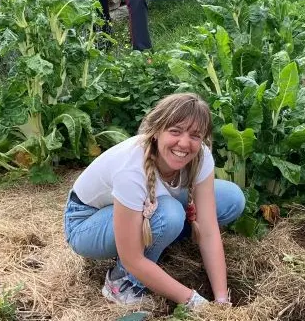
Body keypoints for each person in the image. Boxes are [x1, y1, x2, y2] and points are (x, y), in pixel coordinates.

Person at [63, 93, 245, 308]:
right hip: (86, 224)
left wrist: (222, 300)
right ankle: (122, 282)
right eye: (175, 131)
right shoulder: (131, 168)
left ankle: (158, 237)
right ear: (156, 131)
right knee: (169, 214)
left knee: (231, 198)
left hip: (141, 209)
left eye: (195, 135)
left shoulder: (201, 156)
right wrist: (195, 303)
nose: (185, 143)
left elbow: (207, 230)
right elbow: (131, 257)